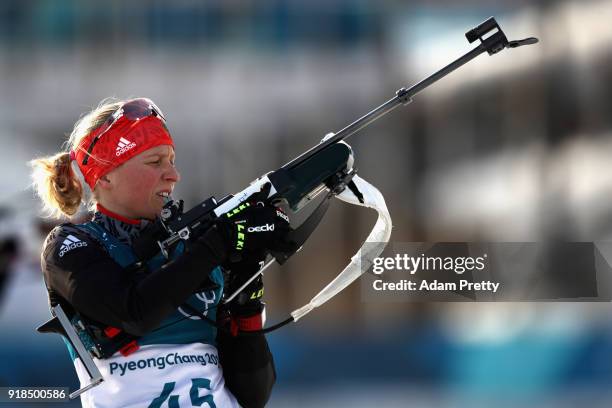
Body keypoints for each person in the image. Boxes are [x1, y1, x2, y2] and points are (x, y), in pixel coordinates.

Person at [30, 97, 295, 408]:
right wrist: (220, 242)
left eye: (171, 161)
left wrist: (247, 281)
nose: (173, 175)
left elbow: (253, 396)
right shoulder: (72, 245)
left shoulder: (193, 248)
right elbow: (134, 312)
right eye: (155, 162)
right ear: (104, 175)